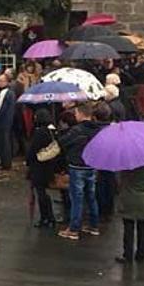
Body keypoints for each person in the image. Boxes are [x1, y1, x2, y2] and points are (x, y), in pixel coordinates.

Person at [57, 103, 103, 241]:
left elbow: (62, 142)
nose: (75, 115)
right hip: (92, 166)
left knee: (77, 199)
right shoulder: (98, 130)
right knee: (91, 196)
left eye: (76, 113)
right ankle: (94, 226)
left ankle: (74, 229)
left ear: (82, 114)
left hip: (77, 166)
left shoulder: (76, 130)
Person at [115, 164, 144, 264]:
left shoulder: (124, 167)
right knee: (143, 230)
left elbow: (119, 183)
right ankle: (141, 254)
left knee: (128, 230)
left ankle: (127, 255)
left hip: (128, 200)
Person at [26, 109, 57, 228]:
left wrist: (28, 162)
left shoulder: (39, 133)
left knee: (41, 193)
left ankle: (46, 217)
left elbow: (32, 150)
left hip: (38, 167)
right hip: (49, 166)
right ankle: (49, 218)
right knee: (44, 192)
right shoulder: (52, 132)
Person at [0, 74, 16, 170]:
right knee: (6, 142)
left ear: (6, 82)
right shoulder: (11, 93)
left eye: (1, 81)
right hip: (8, 121)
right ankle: (6, 162)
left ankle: (4, 163)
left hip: (2, 122)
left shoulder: (4, 93)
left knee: (3, 143)